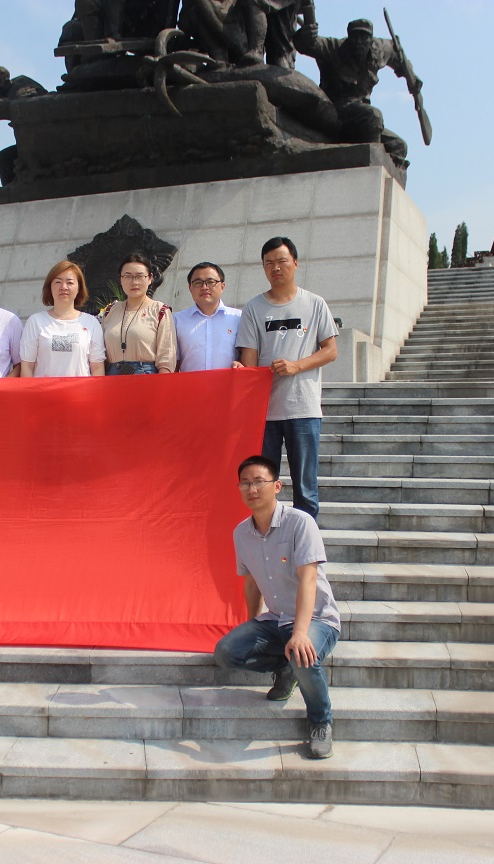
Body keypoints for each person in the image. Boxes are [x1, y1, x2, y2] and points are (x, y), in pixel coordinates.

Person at [215, 454, 339, 759]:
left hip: (317, 618)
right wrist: (251, 623)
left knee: (302, 653)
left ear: (277, 486)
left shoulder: (300, 523)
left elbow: (309, 579)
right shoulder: (241, 533)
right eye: (245, 483)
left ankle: (320, 722)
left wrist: (300, 632)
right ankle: (285, 669)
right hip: (275, 618)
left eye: (259, 481)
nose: (252, 489)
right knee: (226, 652)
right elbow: (252, 582)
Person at [237, 237, 337, 519]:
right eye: (269, 263)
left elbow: (330, 350)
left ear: (295, 263)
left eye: (281, 261)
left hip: (303, 409)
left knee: (306, 487)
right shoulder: (254, 308)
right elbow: (250, 360)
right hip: (265, 413)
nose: (275, 268)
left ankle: (306, 543)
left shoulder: (315, 304)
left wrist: (296, 366)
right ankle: (267, 539)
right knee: (262, 485)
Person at [294, 16, 413, 165]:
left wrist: (411, 78)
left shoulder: (379, 49)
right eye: (355, 37)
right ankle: (371, 168)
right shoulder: (335, 48)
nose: (359, 42)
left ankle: (387, 174)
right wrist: (306, 34)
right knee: (373, 116)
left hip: (360, 114)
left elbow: (398, 56)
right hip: (335, 111)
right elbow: (308, 45)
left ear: (370, 39)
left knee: (399, 146)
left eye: (364, 37)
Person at [21, 261, 106, 377]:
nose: (64, 287)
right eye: (58, 282)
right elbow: (27, 366)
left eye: (70, 282)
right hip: (44, 388)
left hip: (80, 389)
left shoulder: (91, 323)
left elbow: (97, 368)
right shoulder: (35, 321)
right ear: (50, 287)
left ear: (79, 288)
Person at [101, 252, 177, 375]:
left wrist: (163, 383)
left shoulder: (160, 311)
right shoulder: (111, 311)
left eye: (139, 276)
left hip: (145, 377)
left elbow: (166, 357)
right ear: (120, 278)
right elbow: (101, 355)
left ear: (150, 278)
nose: (134, 282)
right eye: (128, 276)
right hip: (112, 377)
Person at [174, 261, 243, 372]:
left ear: (222, 286)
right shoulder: (177, 321)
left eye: (211, 282)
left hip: (228, 382)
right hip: (190, 383)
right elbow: (173, 363)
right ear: (190, 288)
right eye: (198, 283)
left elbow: (247, 357)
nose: (204, 287)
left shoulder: (239, 318)